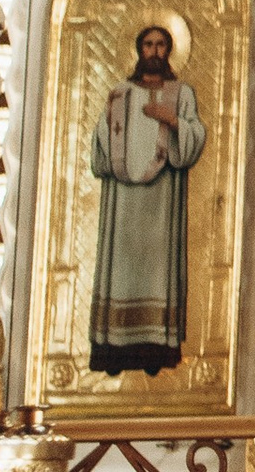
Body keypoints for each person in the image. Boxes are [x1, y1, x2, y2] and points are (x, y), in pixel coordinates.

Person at [86, 23, 205, 374]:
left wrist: (172, 121)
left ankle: (157, 351)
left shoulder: (180, 94)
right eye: (148, 45)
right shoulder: (119, 93)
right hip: (122, 204)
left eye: (160, 45)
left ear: (168, 51)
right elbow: (101, 139)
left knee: (157, 270)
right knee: (119, 268)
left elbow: (195, 134)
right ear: (139, 50)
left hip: (161, 202)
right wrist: (107, 136)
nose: (154, 51)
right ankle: (112, 351)